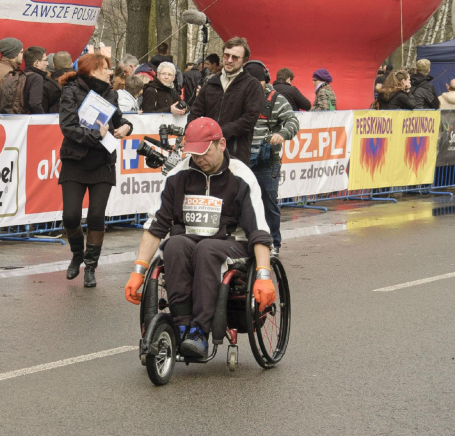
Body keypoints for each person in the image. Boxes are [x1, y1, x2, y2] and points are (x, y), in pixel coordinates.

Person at [124, 117, 275, 358]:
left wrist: (264, 275)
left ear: (221, 144)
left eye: (204, 153)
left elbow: (258, 230)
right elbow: (156, 226)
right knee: (173, 244)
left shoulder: (241, 176)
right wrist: (138, 271)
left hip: (229, 243)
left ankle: (200, 332)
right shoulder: (178, 175)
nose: (198, 159)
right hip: (187, 240)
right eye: (194, 154)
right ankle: (182, 327)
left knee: (207, 249)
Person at [58, 53, 133, 288]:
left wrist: (126, 128)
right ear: (92, 70)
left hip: (102, 162)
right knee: (70, 215)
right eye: (105, 68)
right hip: (75, 161)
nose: (109, 72)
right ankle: (77, 254)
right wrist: (95, 135)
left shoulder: (110, 93)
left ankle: (90, 266)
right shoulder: (70, 91)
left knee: (96, 216)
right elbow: (67, 127)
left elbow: (119, 120)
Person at [244, 61, 299, 257]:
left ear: (264, 80)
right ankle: (248, 240)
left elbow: (293, 121)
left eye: (255, 83)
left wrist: (282, 134)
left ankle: (274, 242)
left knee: (269, 202)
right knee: (241, 202)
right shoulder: (240, 96)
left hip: (267, 161)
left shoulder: (276, 99)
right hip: (242, 159)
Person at [187, 36, 264, 165]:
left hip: (235, 155)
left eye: (235, 57)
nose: (229, 60)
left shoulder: (252, 85)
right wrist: (191, 133)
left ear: (244, 61)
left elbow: (249, 119)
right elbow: (195, 112)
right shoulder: (210, 83)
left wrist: (219, 133)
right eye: (226, 55)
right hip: (206, 154)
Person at [0, 37, 23, 114]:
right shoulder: (9, 73)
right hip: (7, 120)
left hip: (0, 117)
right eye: (21, 52)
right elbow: (11, 103)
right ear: (14, 54)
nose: (22, 56)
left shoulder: (0, 68)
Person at [23, 46, 61, 113]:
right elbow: (34, 104)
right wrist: (43, 118)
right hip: (35, 121)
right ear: (36, 63)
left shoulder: (22, 75)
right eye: (45, 60)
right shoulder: (37, 78)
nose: (47, 63)